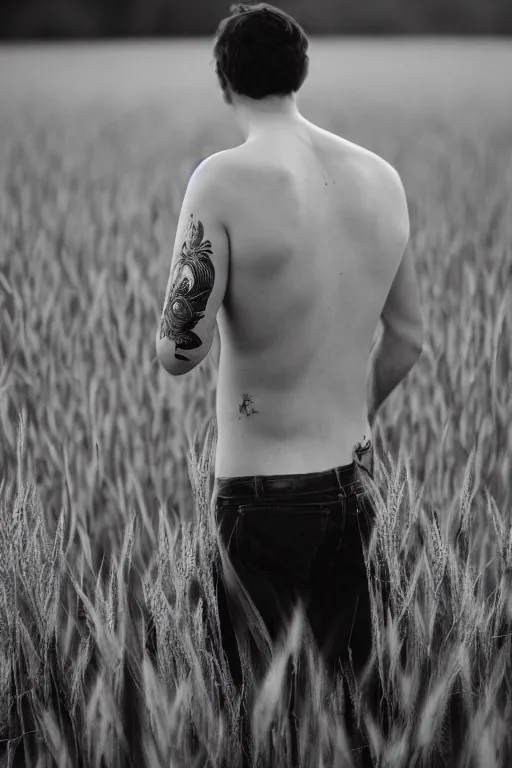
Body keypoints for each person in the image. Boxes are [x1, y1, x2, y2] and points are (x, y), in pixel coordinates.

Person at [156, 3, 424, 765]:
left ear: (226, 82)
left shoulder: (222, 179)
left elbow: (179, 351)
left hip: (259, 501)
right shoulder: (382, 177)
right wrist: (347, 408)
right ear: (300, 72)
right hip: (354, 486)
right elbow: (408, 340)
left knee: (264, 729)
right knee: (355, 722)